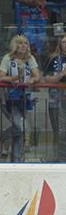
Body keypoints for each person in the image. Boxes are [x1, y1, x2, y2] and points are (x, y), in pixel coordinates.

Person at [0, 35, 41, 163]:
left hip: (24, 98)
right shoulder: (8, 58)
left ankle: (16, 161)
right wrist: (15, 78)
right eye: (20, 43)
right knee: (20, 128)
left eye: (25, 43)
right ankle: (2, 137)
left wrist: (32, 79)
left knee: (20, 130)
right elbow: (0, 77)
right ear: (14, 45)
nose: (23, 46)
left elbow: (37, 76)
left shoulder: (30, 58)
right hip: (8, 98)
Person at [44, 34, 66, 163]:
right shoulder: (54, 59)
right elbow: (46, 78)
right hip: (57, 100)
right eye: (64, 42)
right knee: (59, 131)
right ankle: (60, 158)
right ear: (60, 44)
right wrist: (61, 75)